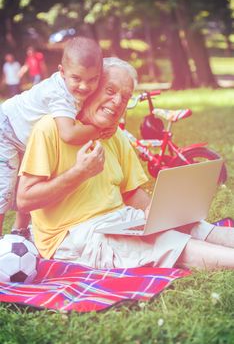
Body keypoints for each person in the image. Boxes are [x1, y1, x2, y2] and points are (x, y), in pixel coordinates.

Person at [17, 57, 234, 271]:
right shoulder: (50, 129)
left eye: (125, 97)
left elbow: (131, 193)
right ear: (92, 88)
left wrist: (153, 212)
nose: (118, 101)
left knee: (193, 225)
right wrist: (79, 173)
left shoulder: (114, 134)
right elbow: (24, 200)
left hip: (119, 220)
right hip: (72, 234)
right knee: (167, 244)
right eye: (110, 91)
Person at [0, 36, 116, 237]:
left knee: (34, 179)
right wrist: (98, 129)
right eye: (76, 78)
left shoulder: (77, 90)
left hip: (24, 135)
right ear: (62, 72)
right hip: (7, 131)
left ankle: (20, 231)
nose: (84, 86)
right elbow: (69, 134)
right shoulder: (59, 94)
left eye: (92, 79)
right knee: (4, 188)